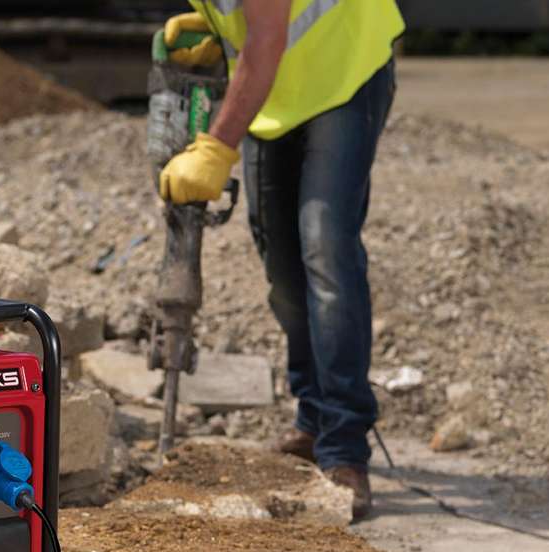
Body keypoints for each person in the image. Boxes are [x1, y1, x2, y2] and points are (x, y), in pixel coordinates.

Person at [157, 0, 405, 520]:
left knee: (326, 250)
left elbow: (267, 42)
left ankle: (344, 449)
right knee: (283, 270)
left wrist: (216, 147)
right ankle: (314, 420)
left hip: (344, 72)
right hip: (276, 94)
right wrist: (220, 25)